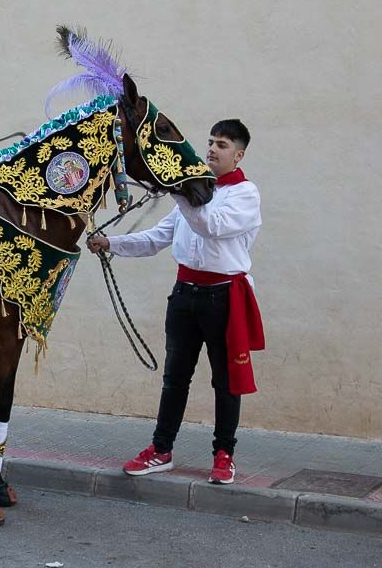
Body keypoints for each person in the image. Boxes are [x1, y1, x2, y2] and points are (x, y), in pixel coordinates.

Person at [86, 119, 263, 484]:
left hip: (223, 297)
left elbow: (209, 226)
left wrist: (179, 190)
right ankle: (161, 449)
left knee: (225, 382)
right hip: (184, 294)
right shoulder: (195, 194)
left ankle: (224, 454)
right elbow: (156, 238)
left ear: (239, 154)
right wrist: (112, 243)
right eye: (211, 141)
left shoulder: (245, 195)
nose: (212, 149)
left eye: (223, 144)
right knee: (175, 379)